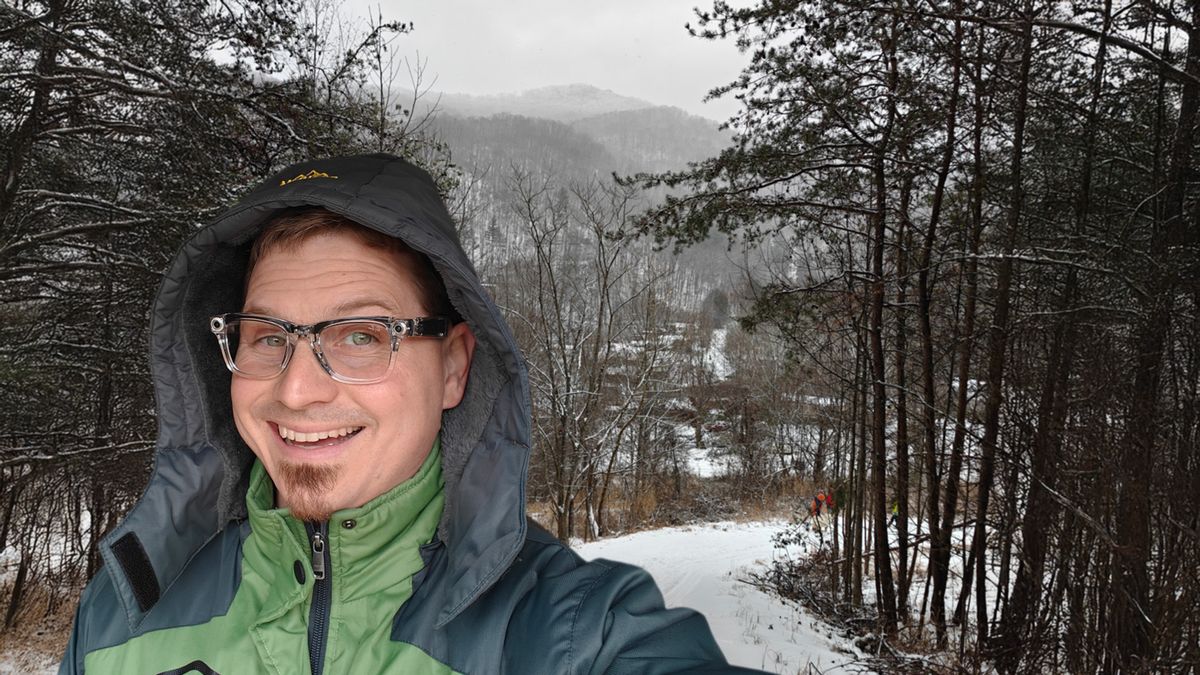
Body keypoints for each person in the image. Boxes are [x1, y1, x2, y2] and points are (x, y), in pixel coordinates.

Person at [58, 154, 764, 674]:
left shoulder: (575, 636)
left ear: (454, 366)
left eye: (361, 336)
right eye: (268, 336)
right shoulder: (121, 617)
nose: (297, 390)